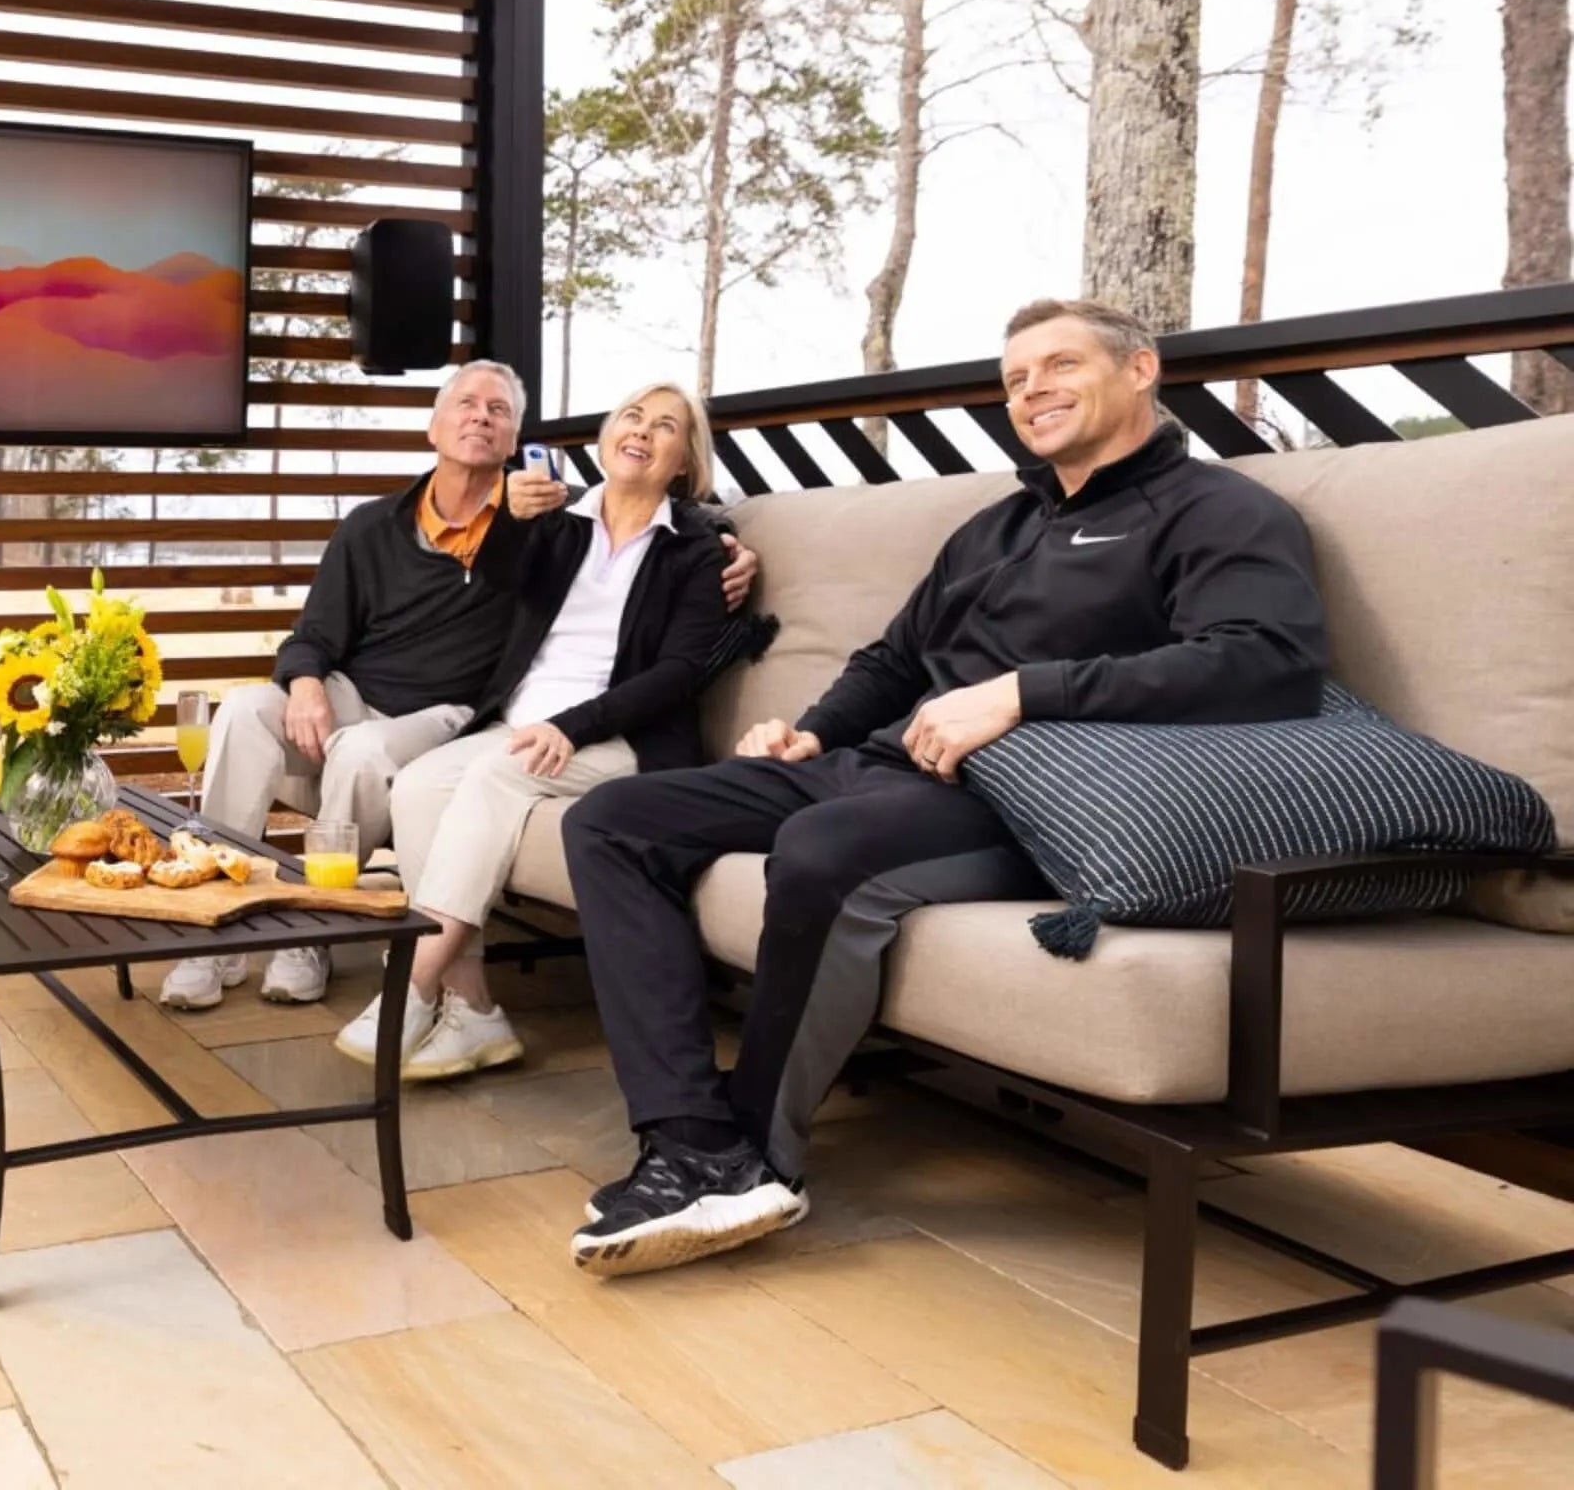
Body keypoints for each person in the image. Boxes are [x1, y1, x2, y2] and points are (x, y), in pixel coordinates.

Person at [561, 298, 1329, 1279]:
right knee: (613, 817)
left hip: (1040, 795)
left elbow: (1266, 663)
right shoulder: (995, 526)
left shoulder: (1218, 510)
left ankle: (755, 1152)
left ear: (1140, 369)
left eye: (1058, 365)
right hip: (879, 761)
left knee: (826, 849)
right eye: (1014, 378)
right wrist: (812, 730)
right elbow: (892, 656)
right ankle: (693, 1137)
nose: (1031, 390)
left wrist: (1020, 693)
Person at [161, 361, 757, 1011]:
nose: (480, 416)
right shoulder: (372, 527)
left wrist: (728, 539)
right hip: (355, 695)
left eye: (498, 411)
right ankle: (203, 932)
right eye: (466, 404)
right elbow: (313, 634)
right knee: (247, 709)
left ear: (514, 443)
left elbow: (652, 516)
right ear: (434, 428)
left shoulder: (544, 524)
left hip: (450, 714)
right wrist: (305, 683)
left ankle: (313, 931)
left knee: (363, 753)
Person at [333, 382, 731, 1079]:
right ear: (607, 437)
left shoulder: (694, 549)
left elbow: (680, 672)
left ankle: (414, 982)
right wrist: (513, 520)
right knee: (421, 784)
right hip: (518, 726)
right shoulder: (559, 522)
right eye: (631, 415)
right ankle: (475, 1008)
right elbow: (494, 580)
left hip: (619, 740)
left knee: (494, 776)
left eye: (665, 426)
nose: (642, 430)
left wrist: (573, 727)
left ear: (684, 461)